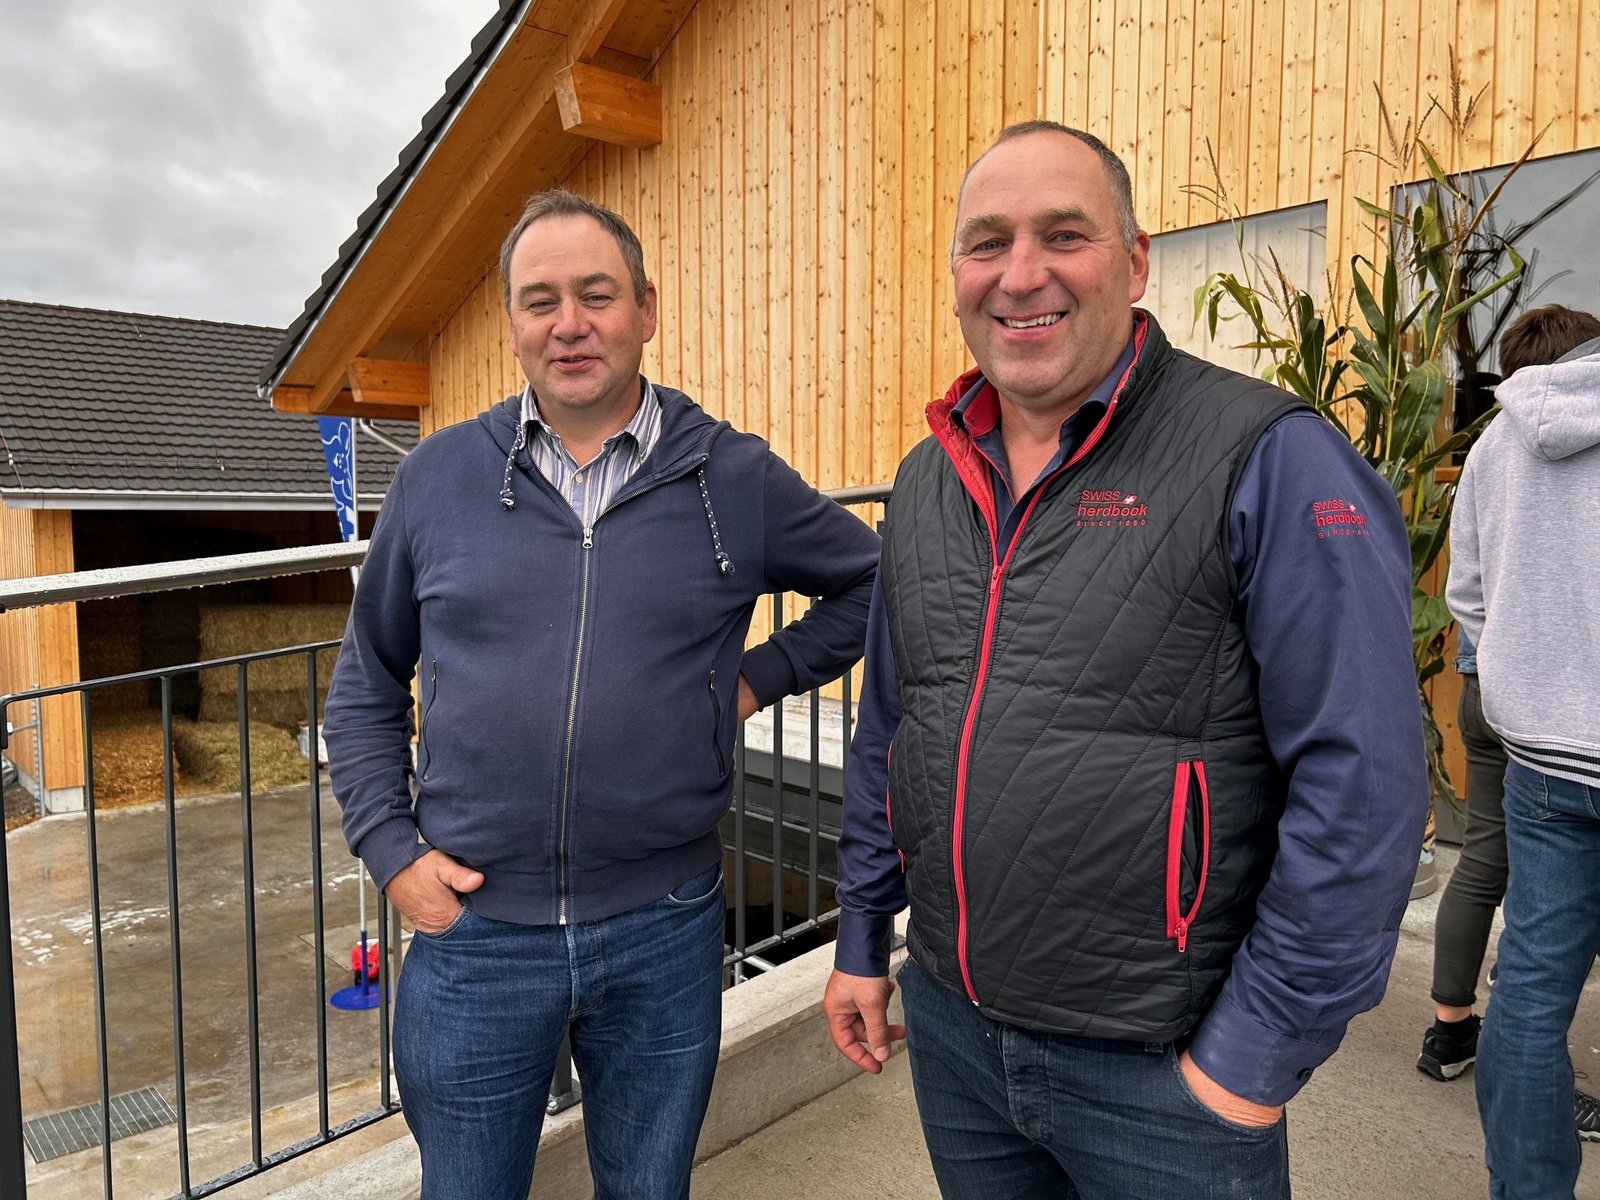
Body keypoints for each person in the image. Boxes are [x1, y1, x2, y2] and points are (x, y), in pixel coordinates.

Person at [822, 122, 1429, 1199]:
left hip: (1164, 1069)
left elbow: (1365, 782)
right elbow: (893, 728)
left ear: (1136, 262)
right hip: (954, 1036)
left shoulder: (1267, 455)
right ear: (957, 275)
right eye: (987, 242)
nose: (1021, 274)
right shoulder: (927, 479)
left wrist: (1251, 1057)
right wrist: (863, 938)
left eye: (1065, 235)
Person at [322, 188, 879, 1200]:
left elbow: (870, 584)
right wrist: (391, 852)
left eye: (596, 295)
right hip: (475, 932)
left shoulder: (731, 476)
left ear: (645, 310)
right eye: (540, 301)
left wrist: (754, 680)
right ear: (512, 324)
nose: (568, 324)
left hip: (664, 924)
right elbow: (364, 680)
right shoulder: (438, 479)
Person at [1418, 307, 1600, 1126]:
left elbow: (1468, 589)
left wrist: (1504, 666)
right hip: (1550, 719)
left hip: (1509, 713)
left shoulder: (1492, 446)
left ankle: (1450, 1030)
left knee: (1494, 881)